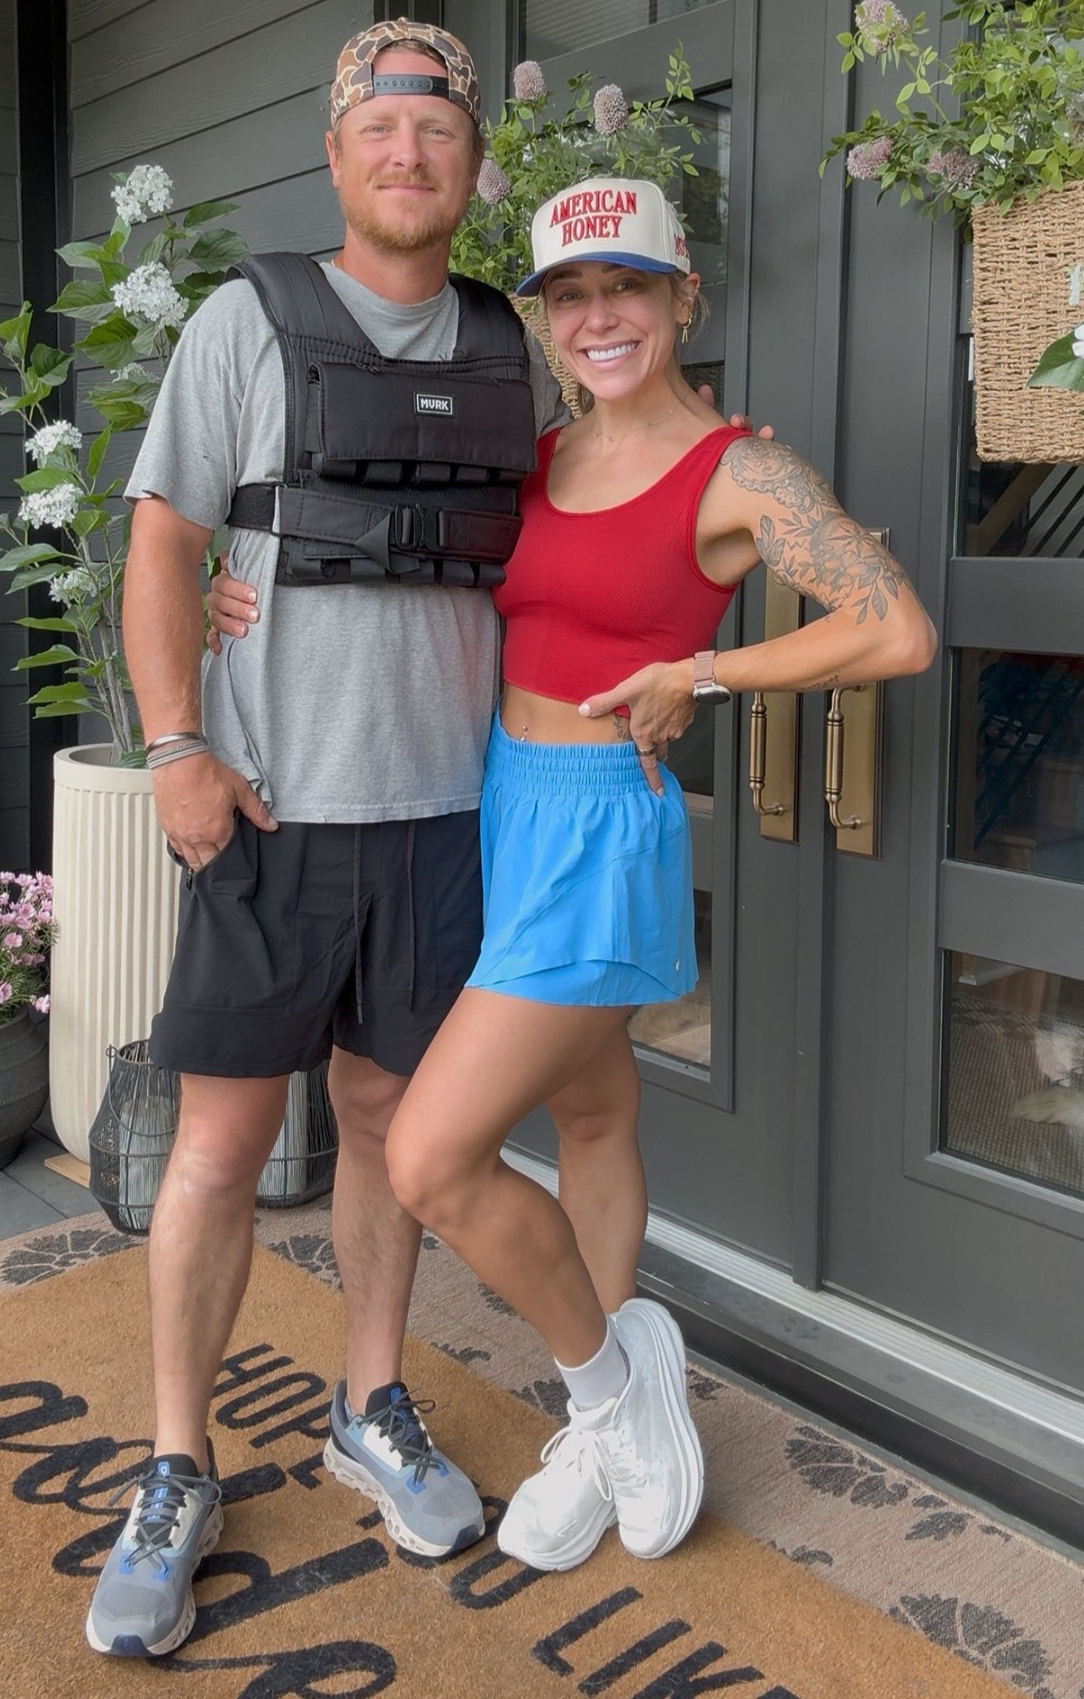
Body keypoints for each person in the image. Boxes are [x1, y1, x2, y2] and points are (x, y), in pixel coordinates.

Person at [86, 25, 716, 1659]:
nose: (410, 150)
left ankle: (371, 1403)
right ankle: (176, 1462)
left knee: (387, 1131)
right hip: (274, 811)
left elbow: (610, 532)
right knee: (219, 1149)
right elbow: (161, 549)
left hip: (453, 819)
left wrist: (674, 675)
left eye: (438, 126)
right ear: (336, 150)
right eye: (380, 122)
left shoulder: (523, 348)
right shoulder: (249, 321)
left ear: (470, 166)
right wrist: (175, 744)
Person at [209, 172, 937, 1578]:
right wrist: (242, 584)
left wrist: (703, 670)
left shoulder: (742, 470)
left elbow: (890, 627)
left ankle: (609, 1395)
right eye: (569, 298)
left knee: (428, 1155)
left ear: (682, 299)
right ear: (546, 324)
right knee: (594, 1118)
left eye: (626, 289)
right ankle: (609, 1421)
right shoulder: (535, 455)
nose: (597, 317)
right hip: (498, 806)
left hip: (602, 823)